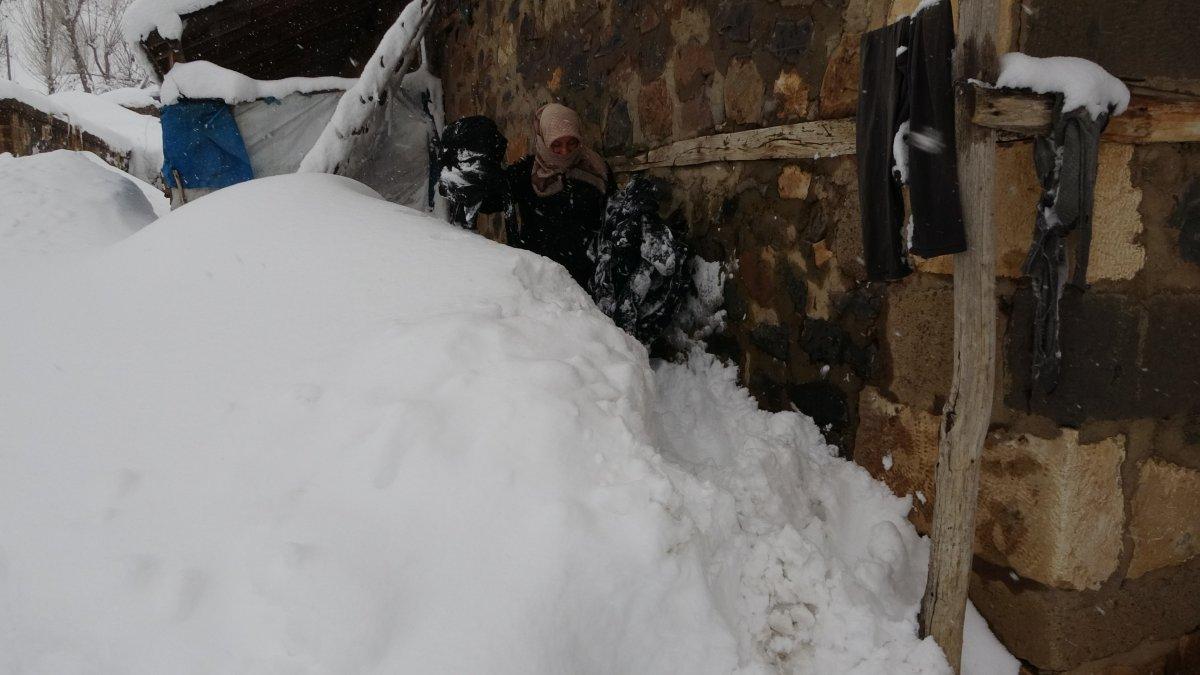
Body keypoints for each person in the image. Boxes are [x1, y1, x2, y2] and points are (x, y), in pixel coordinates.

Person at [436, 103, 689, 347]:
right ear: (543, 141)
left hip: (585, 282)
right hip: (543, 284)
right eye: (556, 145)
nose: (565, 152)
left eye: (571, 143)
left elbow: (610, 214)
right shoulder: (525, 175)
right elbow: (493, 198)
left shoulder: (596, 170)